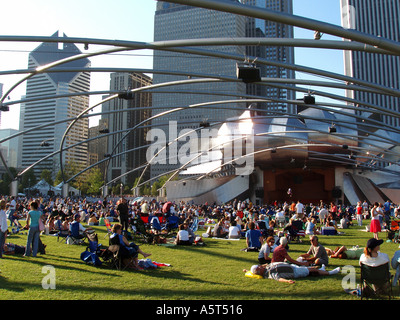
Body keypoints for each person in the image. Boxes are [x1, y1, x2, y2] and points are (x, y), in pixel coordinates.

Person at [244, 262, 340, 284]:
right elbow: (278, 278)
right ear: (259, 271)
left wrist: (246, 271)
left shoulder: (265, 268)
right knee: (311, 270)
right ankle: (330, 273)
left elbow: (252, 272)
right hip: (294, 272)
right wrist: (287, 281)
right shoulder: (269, 273)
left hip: (292, 267)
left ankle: (322, 269)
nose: (260, 266)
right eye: (259, 267)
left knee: (308, 268)